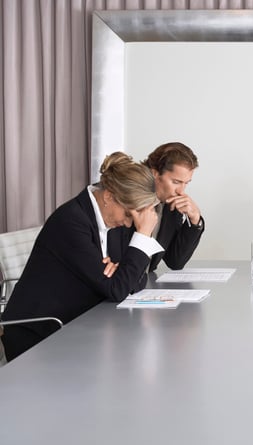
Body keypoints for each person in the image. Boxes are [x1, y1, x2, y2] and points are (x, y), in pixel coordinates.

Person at [0, 152, 163, 361]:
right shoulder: (71, 222)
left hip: (78, 324)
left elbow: (134, 280)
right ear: (109, 196)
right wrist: (142, 236)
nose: (129, 224)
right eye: (129, 215)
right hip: (40, 336)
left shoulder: (110, 219)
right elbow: (118, 288)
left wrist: (120, 275)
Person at [140, 142, 204, 272]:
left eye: (186, 183)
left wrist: (195, 220)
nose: (181, 190)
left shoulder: (171, 204)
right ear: (155, 173)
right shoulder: (128, 199)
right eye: (176, 182)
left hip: (145, 287)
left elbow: (175, 261)